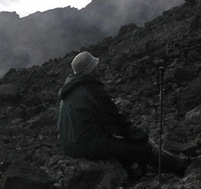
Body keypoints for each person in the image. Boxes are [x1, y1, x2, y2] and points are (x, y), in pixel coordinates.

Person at [57, 51, 188, 178]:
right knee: (141, 148)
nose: (99, 68)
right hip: (88, 144)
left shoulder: (69, 91)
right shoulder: (92, 91)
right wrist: (141, 136)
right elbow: (115, 121)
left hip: (69, 146)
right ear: (91, 69)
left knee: (121, 146)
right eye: (95, 66)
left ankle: (136, 172)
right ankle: (181, 166)